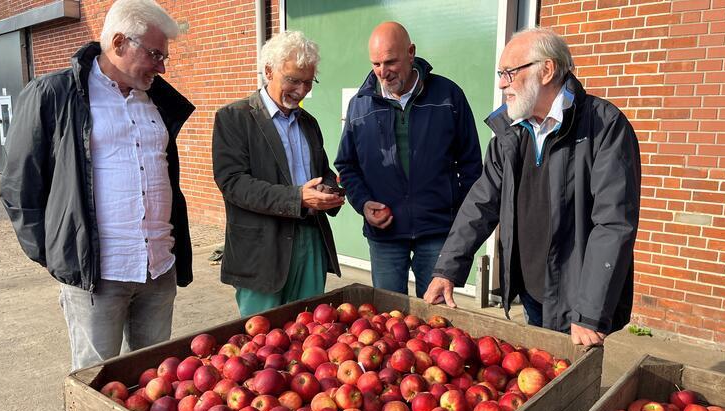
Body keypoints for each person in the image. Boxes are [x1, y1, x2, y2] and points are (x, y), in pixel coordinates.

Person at [0, 0, 195, 370]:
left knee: (155, 384)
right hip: (96, 277)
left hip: (158, 269)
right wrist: (60, 253)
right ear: (119, 42)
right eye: (155, 54)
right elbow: (19, 188)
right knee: (95, 384)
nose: (162, 66)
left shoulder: (157, 101)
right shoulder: (54, 94)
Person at [423, 27, 641, 347]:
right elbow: (481, 203)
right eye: (501, 74)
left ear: (547, 70)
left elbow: (613, 223)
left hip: (578, 305)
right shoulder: (510, 134)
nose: (501, 84)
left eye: (509, 73)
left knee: (570, 391)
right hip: (531, 294)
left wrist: (591, 312)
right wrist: (447, 269)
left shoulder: (604, 126)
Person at [335, 22, 482, 298]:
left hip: (438, 232)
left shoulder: (449, 96)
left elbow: (471, 164)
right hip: (385, 236)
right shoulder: (360, 105)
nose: (382, 72)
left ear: (411, 52)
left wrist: (458, 217)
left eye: (390, 61)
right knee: (388, 321)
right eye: (376, 63)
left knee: (436, 321)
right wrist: (363, 203)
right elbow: (347, 165)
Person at [212, 31, 343, 317]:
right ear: (268, 71)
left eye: (308, 82)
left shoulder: (309, 122)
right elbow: (233, 183)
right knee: (261, 346)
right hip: (261, 251)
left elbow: (321, 171)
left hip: (310, 241)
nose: (301, 90)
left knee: (309, 337)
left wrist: (330, 188)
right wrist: (298, 198)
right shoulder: (233, 118)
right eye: (293, 80)